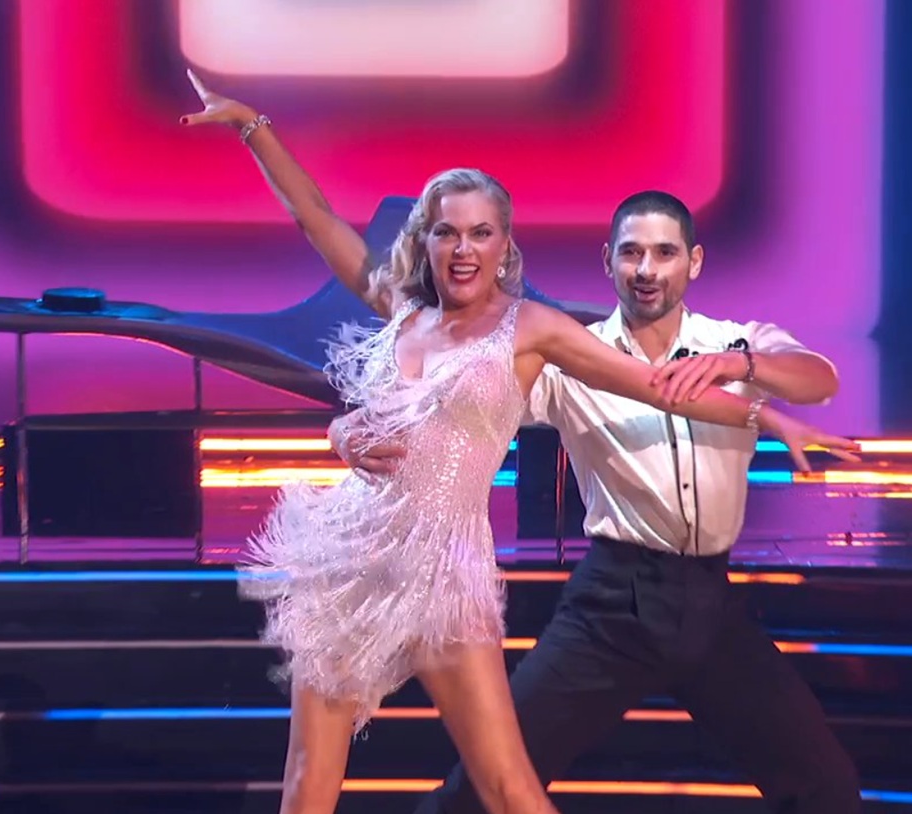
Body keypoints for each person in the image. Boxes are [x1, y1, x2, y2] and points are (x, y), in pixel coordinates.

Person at [181, 72, 859, 814]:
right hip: (354, 556)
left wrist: (762, 411)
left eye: (480, 233)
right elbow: (315, 218)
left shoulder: (533, 330)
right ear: (426, 241)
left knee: (506, 788)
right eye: (446, 231)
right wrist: (255, 128)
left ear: (504, 246)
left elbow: (652, 385)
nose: (463, 248)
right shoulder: (400, 309)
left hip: (447, 574)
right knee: (309, 782)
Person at [340, 191, 865, 813]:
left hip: (711, 603)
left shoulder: (734, 342)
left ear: (692, 262)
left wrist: (740, 365)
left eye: (664, 253)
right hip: (613, 603)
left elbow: (820, 378)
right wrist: (348, 429)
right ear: (608, 262)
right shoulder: (567, 358)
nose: (647, 269)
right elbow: (451, 399)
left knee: (827, 791)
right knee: (485, 786)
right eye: (632, 253)